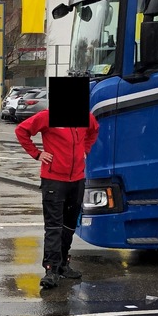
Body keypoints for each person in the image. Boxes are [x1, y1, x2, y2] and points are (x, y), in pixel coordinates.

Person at [15, 107, 99, 289]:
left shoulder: (86, 117)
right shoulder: (48, 116)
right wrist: (37, 154)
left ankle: (62, 265)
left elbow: (94, 130)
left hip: (77, 180)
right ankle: (51, 270)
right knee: (54, 227)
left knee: (69, 226)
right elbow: (21, 130)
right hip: (53, 181)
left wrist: (86, 149)